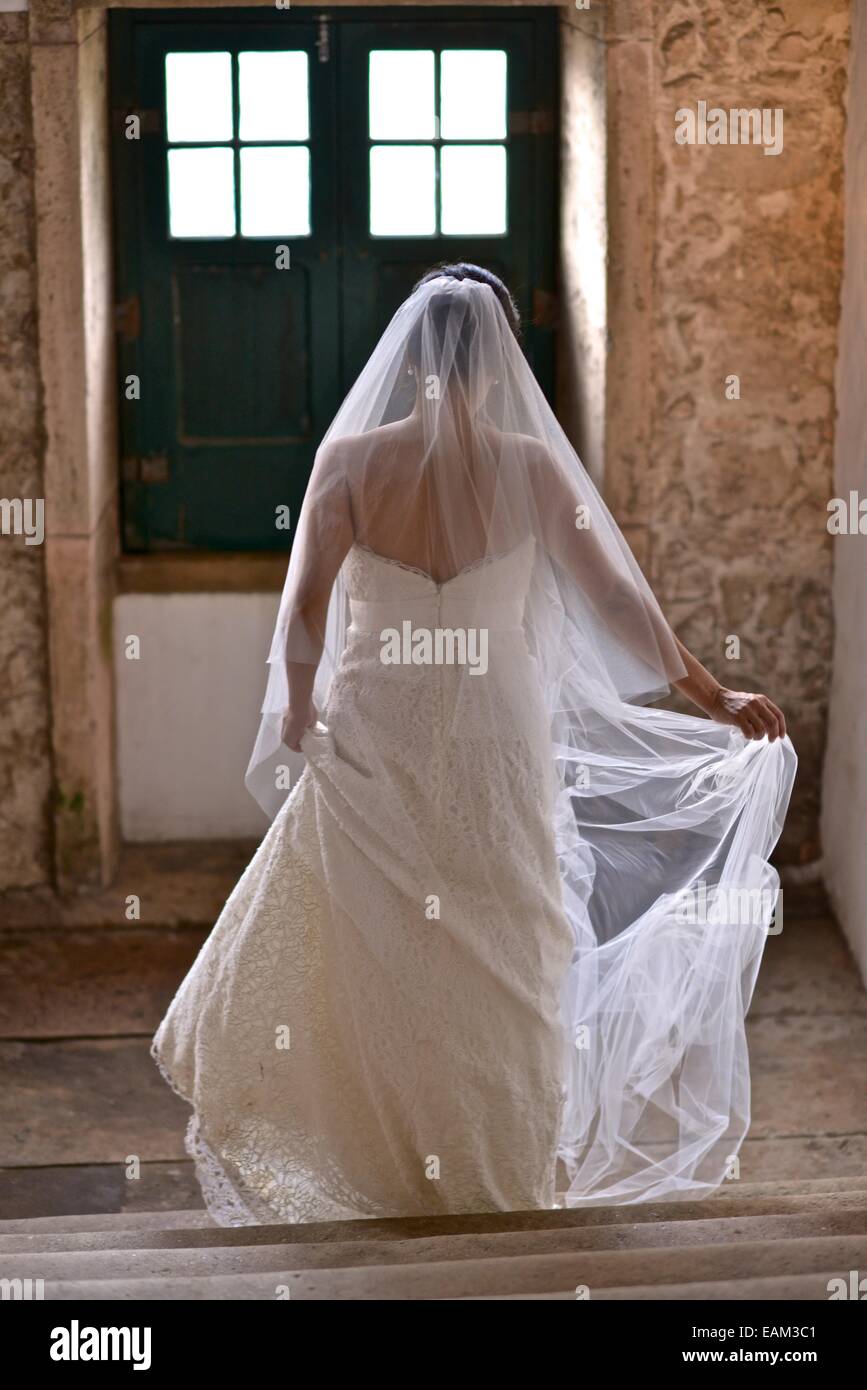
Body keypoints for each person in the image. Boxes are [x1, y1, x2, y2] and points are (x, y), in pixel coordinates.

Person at [152, 264, 796, 1225]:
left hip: (379, 739)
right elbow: (617, 601)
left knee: (372, 955)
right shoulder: (530, 470)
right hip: (494, 742)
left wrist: (293, 710)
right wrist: (710, 694)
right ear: (496, 368)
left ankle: (389, 1176)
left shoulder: (351, 464)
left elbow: (303, 610)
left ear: (407, 360)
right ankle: (497, 1184)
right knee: (505, 958)